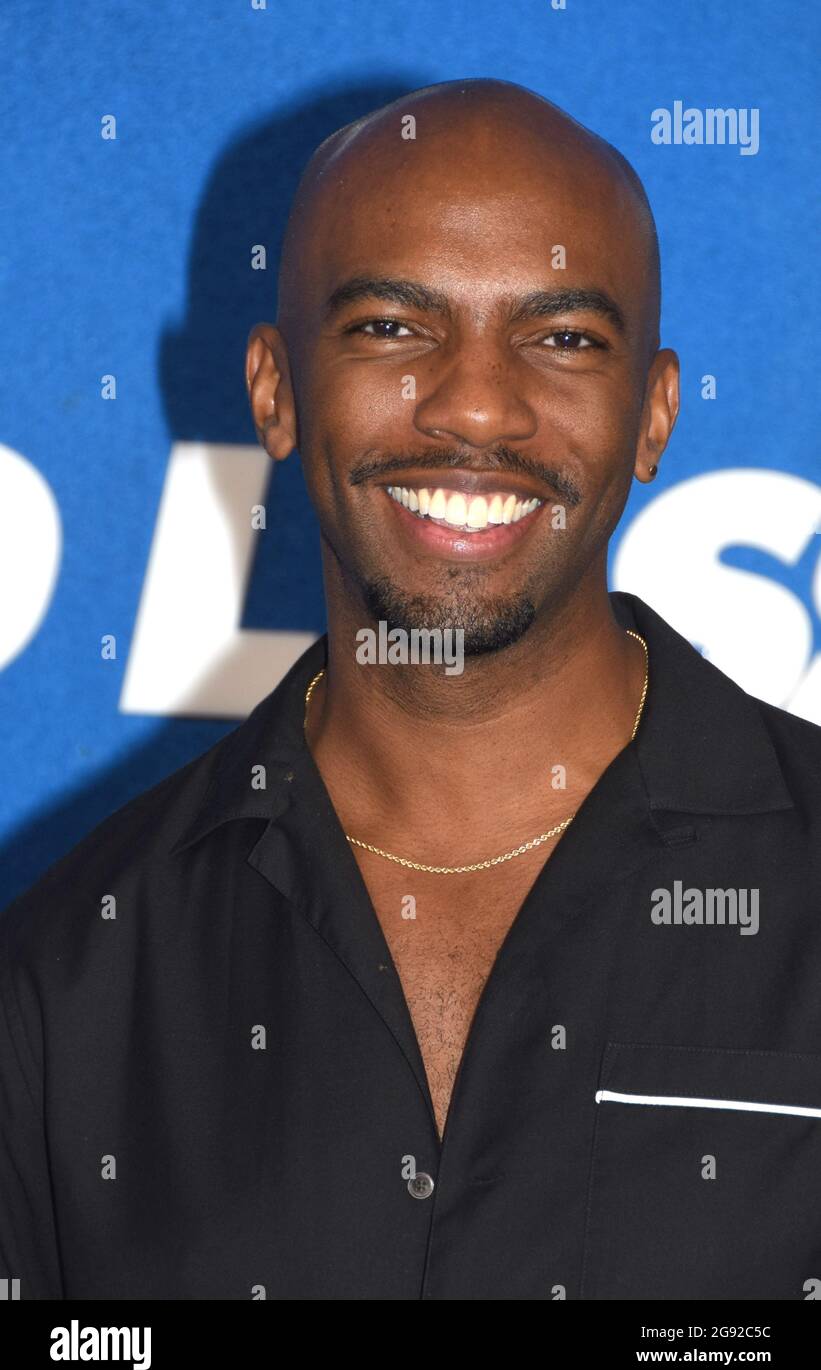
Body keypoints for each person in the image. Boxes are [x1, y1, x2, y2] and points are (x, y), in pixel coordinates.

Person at [2, 79, 820, 1301]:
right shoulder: (66, 977)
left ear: (653, 416)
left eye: (561, 337)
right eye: (392, 326)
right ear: (275, 391)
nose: (476, 404)